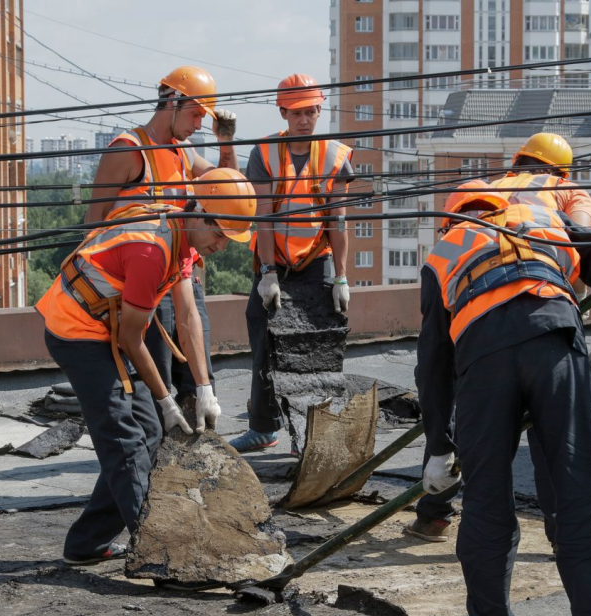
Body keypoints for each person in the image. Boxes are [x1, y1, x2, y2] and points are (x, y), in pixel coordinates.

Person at [417, 190, 591, 616]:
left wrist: (438, 446)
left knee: (485, 497)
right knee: (580, 489)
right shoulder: (541, 217)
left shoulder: (444, 252)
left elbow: (434, 362)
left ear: (455, 216)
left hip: (482, 359)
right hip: (554, 343)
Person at [36, 168, 256, 566]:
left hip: (110, 326)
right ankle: (158, 551)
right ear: (201, 214)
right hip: (78, 329)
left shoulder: (182, 233)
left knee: (150, 431)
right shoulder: (152, 249)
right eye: (221, 234)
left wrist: (205, 388)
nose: (223, 245)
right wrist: (166, 398)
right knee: (123, 437)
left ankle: (87, 543)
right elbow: (132, 340)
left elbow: (187, 316)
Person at [405, 132, 591, 544]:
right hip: (546, 303)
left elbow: (433, 358)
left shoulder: (495, 188)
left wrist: (439, 442)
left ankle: (434, 513)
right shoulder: (570, 191)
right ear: (562, 169)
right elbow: (584, 244)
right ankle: (562, 533)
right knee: (552, 433)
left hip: (477, 304)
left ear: (519, 160)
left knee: (454, 401)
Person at [86, 66, 239, 403]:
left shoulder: (183, 152)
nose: (199, 124)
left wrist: (225, 144)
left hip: (182, 277)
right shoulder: (128, 151)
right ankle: (161, 443)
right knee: (157, 373)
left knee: (198, 378)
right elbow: (93, 223)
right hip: (142, 281)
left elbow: (228, 191)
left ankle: (196, 436)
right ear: (173, 100)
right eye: (196, 114)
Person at [229, 73, 354, 455]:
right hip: (275, 263)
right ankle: (264, 427)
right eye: (297, 112)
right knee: (265, 343)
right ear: (283, 112)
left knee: (318, 347)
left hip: (317, 260)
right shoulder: (265, 154)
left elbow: (338, 220)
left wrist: (341, 277)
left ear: (320, 110)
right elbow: (263, 218)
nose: (305, 119)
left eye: (311, 111)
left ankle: (314, 433)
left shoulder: (335, 156)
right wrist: (267, 274)